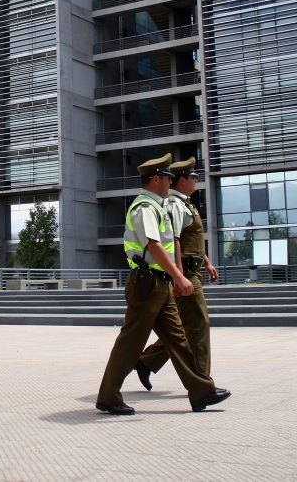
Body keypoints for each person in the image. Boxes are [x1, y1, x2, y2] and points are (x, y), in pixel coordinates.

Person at [95, 153, 230, 415]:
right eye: (167, 177)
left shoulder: (158, 206)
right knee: (130, 343)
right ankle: (108, 396)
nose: (171, 181)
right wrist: (180, 276)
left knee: (179, 339)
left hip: (161, 283)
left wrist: (175, 278)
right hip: (147, 284)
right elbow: (154, 247)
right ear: (156, 179)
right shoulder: (144, 207)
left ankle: (201, 391)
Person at [135, 156, 218, 389]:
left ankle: (145, 361)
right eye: (193, 177)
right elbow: (175, 241)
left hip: (192, 270)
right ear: (182, 181)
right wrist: (179, 277)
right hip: (186, 273)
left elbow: (193, 240)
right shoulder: (174, 205)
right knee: (198, 324)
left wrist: (207, 262)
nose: (196, 181)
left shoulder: (185, 203)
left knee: (182, 326)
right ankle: (203, 382)